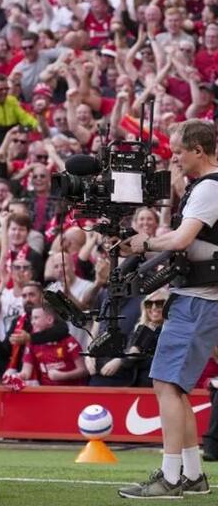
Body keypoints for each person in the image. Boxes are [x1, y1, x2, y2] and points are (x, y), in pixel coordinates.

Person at [119, 120, 218, 499]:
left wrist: (143, 244)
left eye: (178, 151)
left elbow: (181, 239)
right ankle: (192, 475)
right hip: (198, 296)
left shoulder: (209, 188)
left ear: (197, 149)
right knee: (173, 387)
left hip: (200, 299)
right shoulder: (202, 186)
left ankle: (171, 477)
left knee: (166, 385)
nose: (173, 157)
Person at [16, 303, 88, 386]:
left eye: (36, 318)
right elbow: (26, 372)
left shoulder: (68, 341)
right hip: (47, 393)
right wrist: (18, 376)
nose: (32, 322)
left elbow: (84, 370)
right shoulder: (33, 343)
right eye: (31, 319)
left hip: (72, 392)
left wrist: (63, 376)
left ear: (50, 320)